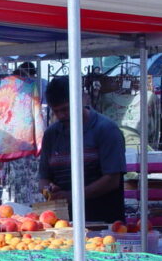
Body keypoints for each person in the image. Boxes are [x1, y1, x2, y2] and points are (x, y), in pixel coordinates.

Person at [39, 76, 126, 224]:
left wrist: (72, 196)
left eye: (65, 109)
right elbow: (43, 178)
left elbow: (112, 180)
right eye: (56, 111)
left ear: (81, 100)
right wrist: (48, 190)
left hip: (103, 222)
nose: (61, 115)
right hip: (63, 224)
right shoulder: (51, 135)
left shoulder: (106, 130)